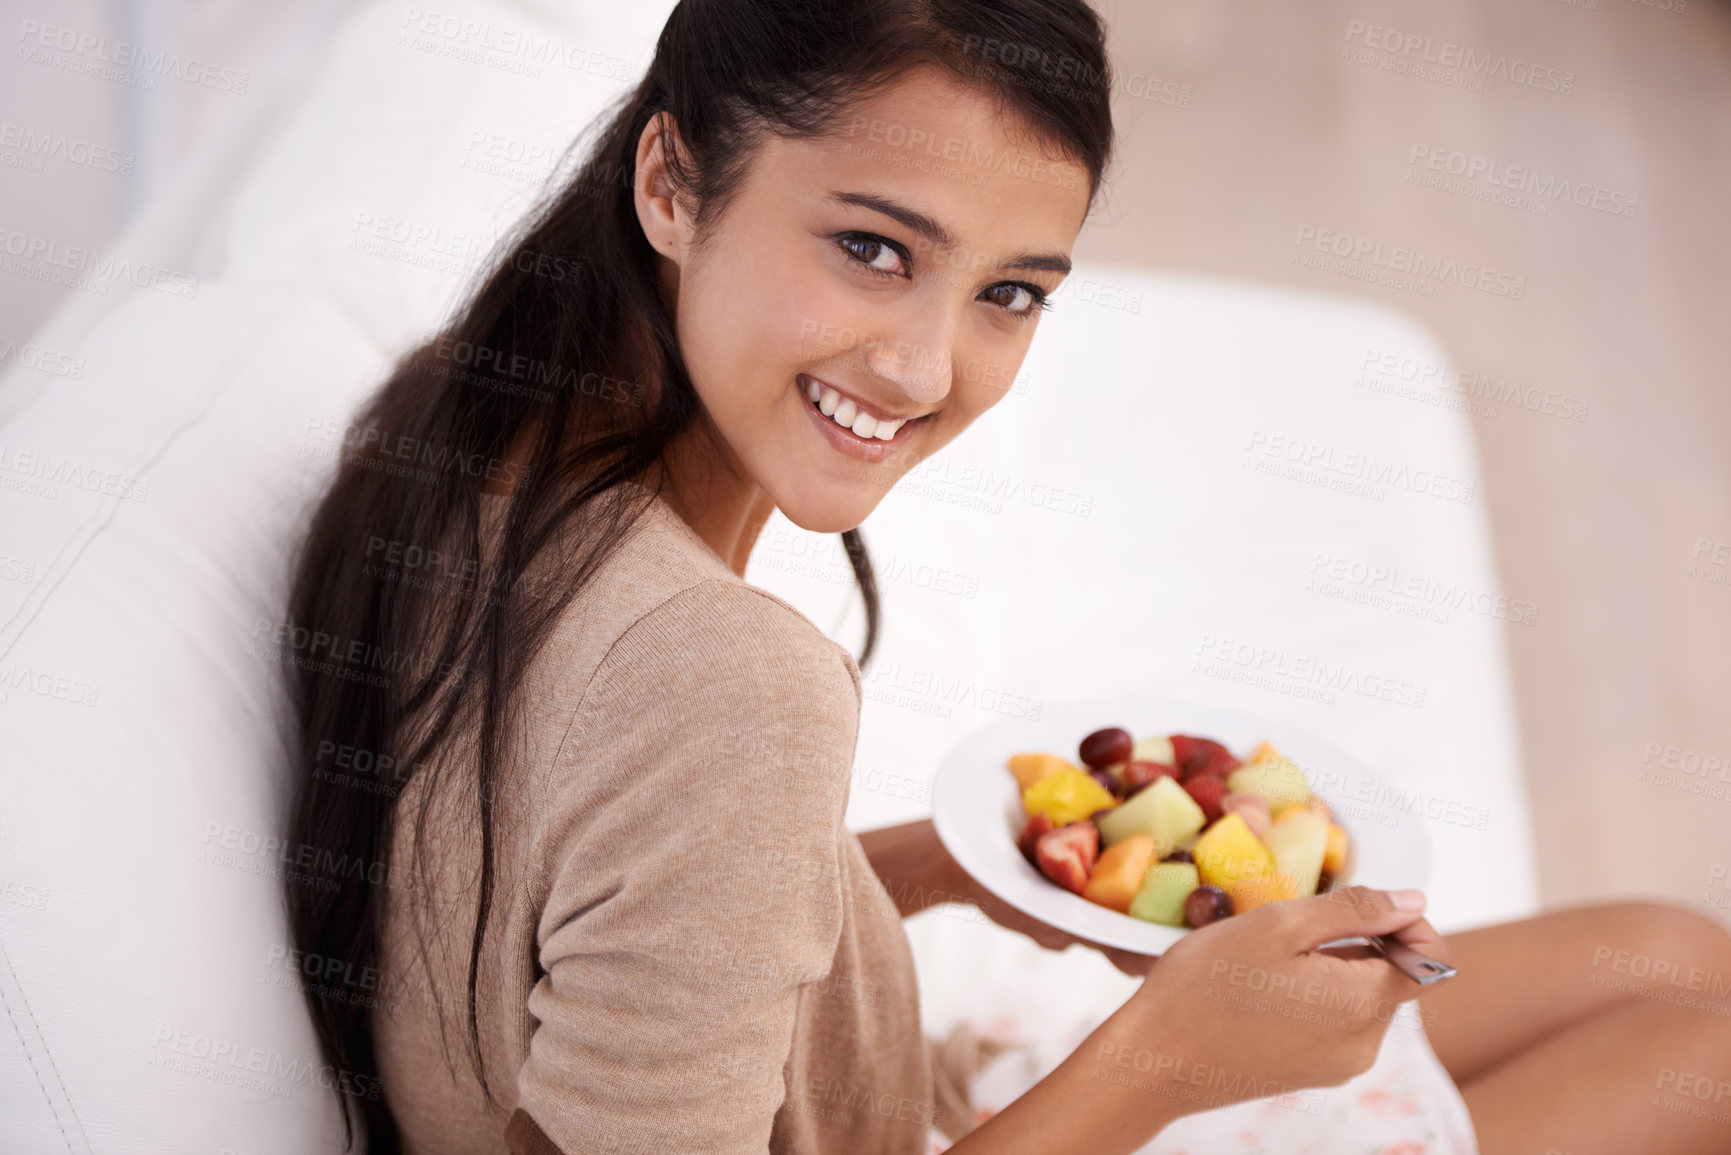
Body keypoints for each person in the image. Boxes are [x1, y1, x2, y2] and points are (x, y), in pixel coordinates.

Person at [282, 1, 1731, 1152]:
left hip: (911, 1101)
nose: (926, 367)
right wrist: (1169, 1057)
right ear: (671, 179)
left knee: (1673, 952)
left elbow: (625, 937)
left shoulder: (466, 436)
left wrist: (954, 867)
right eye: (869, 247)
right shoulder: (722, 680)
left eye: (1009, 293)